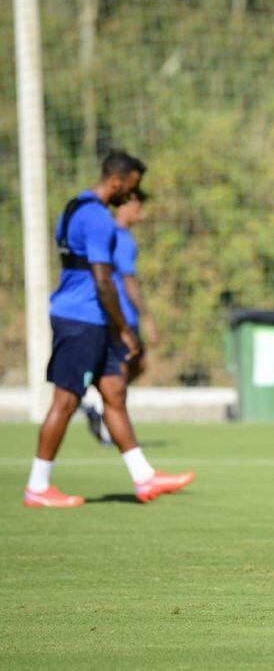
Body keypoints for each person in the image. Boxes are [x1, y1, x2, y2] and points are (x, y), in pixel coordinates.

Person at [24, 151, 194, 508]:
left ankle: (144, 477)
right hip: (83, 319)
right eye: (132, 187)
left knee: (114, 393)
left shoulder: (70, 209)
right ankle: (38, 486)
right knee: (66, 400)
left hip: (82, 316)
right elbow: (104, 282)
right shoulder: (99, 219)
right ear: (116, 181)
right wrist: (126, 329)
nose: (132, 195)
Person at [83, 187, 160, 445]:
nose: (145, 213)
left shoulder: (112, 233)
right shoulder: (120, 237)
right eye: (140, 206)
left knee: (135, 365)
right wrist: (147, 319)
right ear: (128, 204)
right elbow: (129, 282)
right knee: (126, 366)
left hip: (114, 314)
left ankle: (99, 405)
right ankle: (104, 416)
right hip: (121, 315)